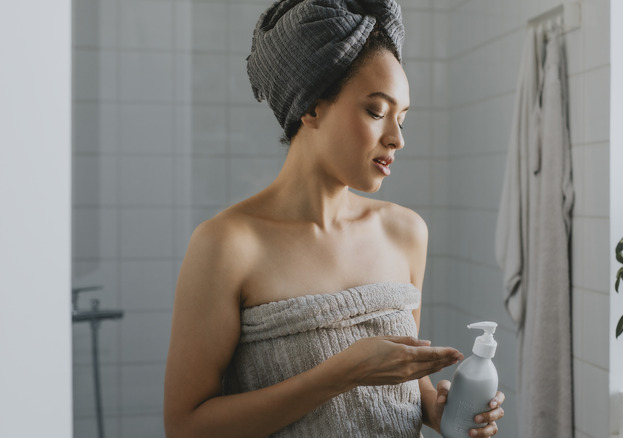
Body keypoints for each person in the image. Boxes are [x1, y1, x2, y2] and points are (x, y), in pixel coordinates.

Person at [163, 0, 505, 436]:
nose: (397, 138)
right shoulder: (227, 245)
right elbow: (185, 426)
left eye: (402, 119)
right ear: (311, 107)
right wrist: (340, 374)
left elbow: (403, 382)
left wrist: (438, 410)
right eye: (376, 112)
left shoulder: (406, 233)